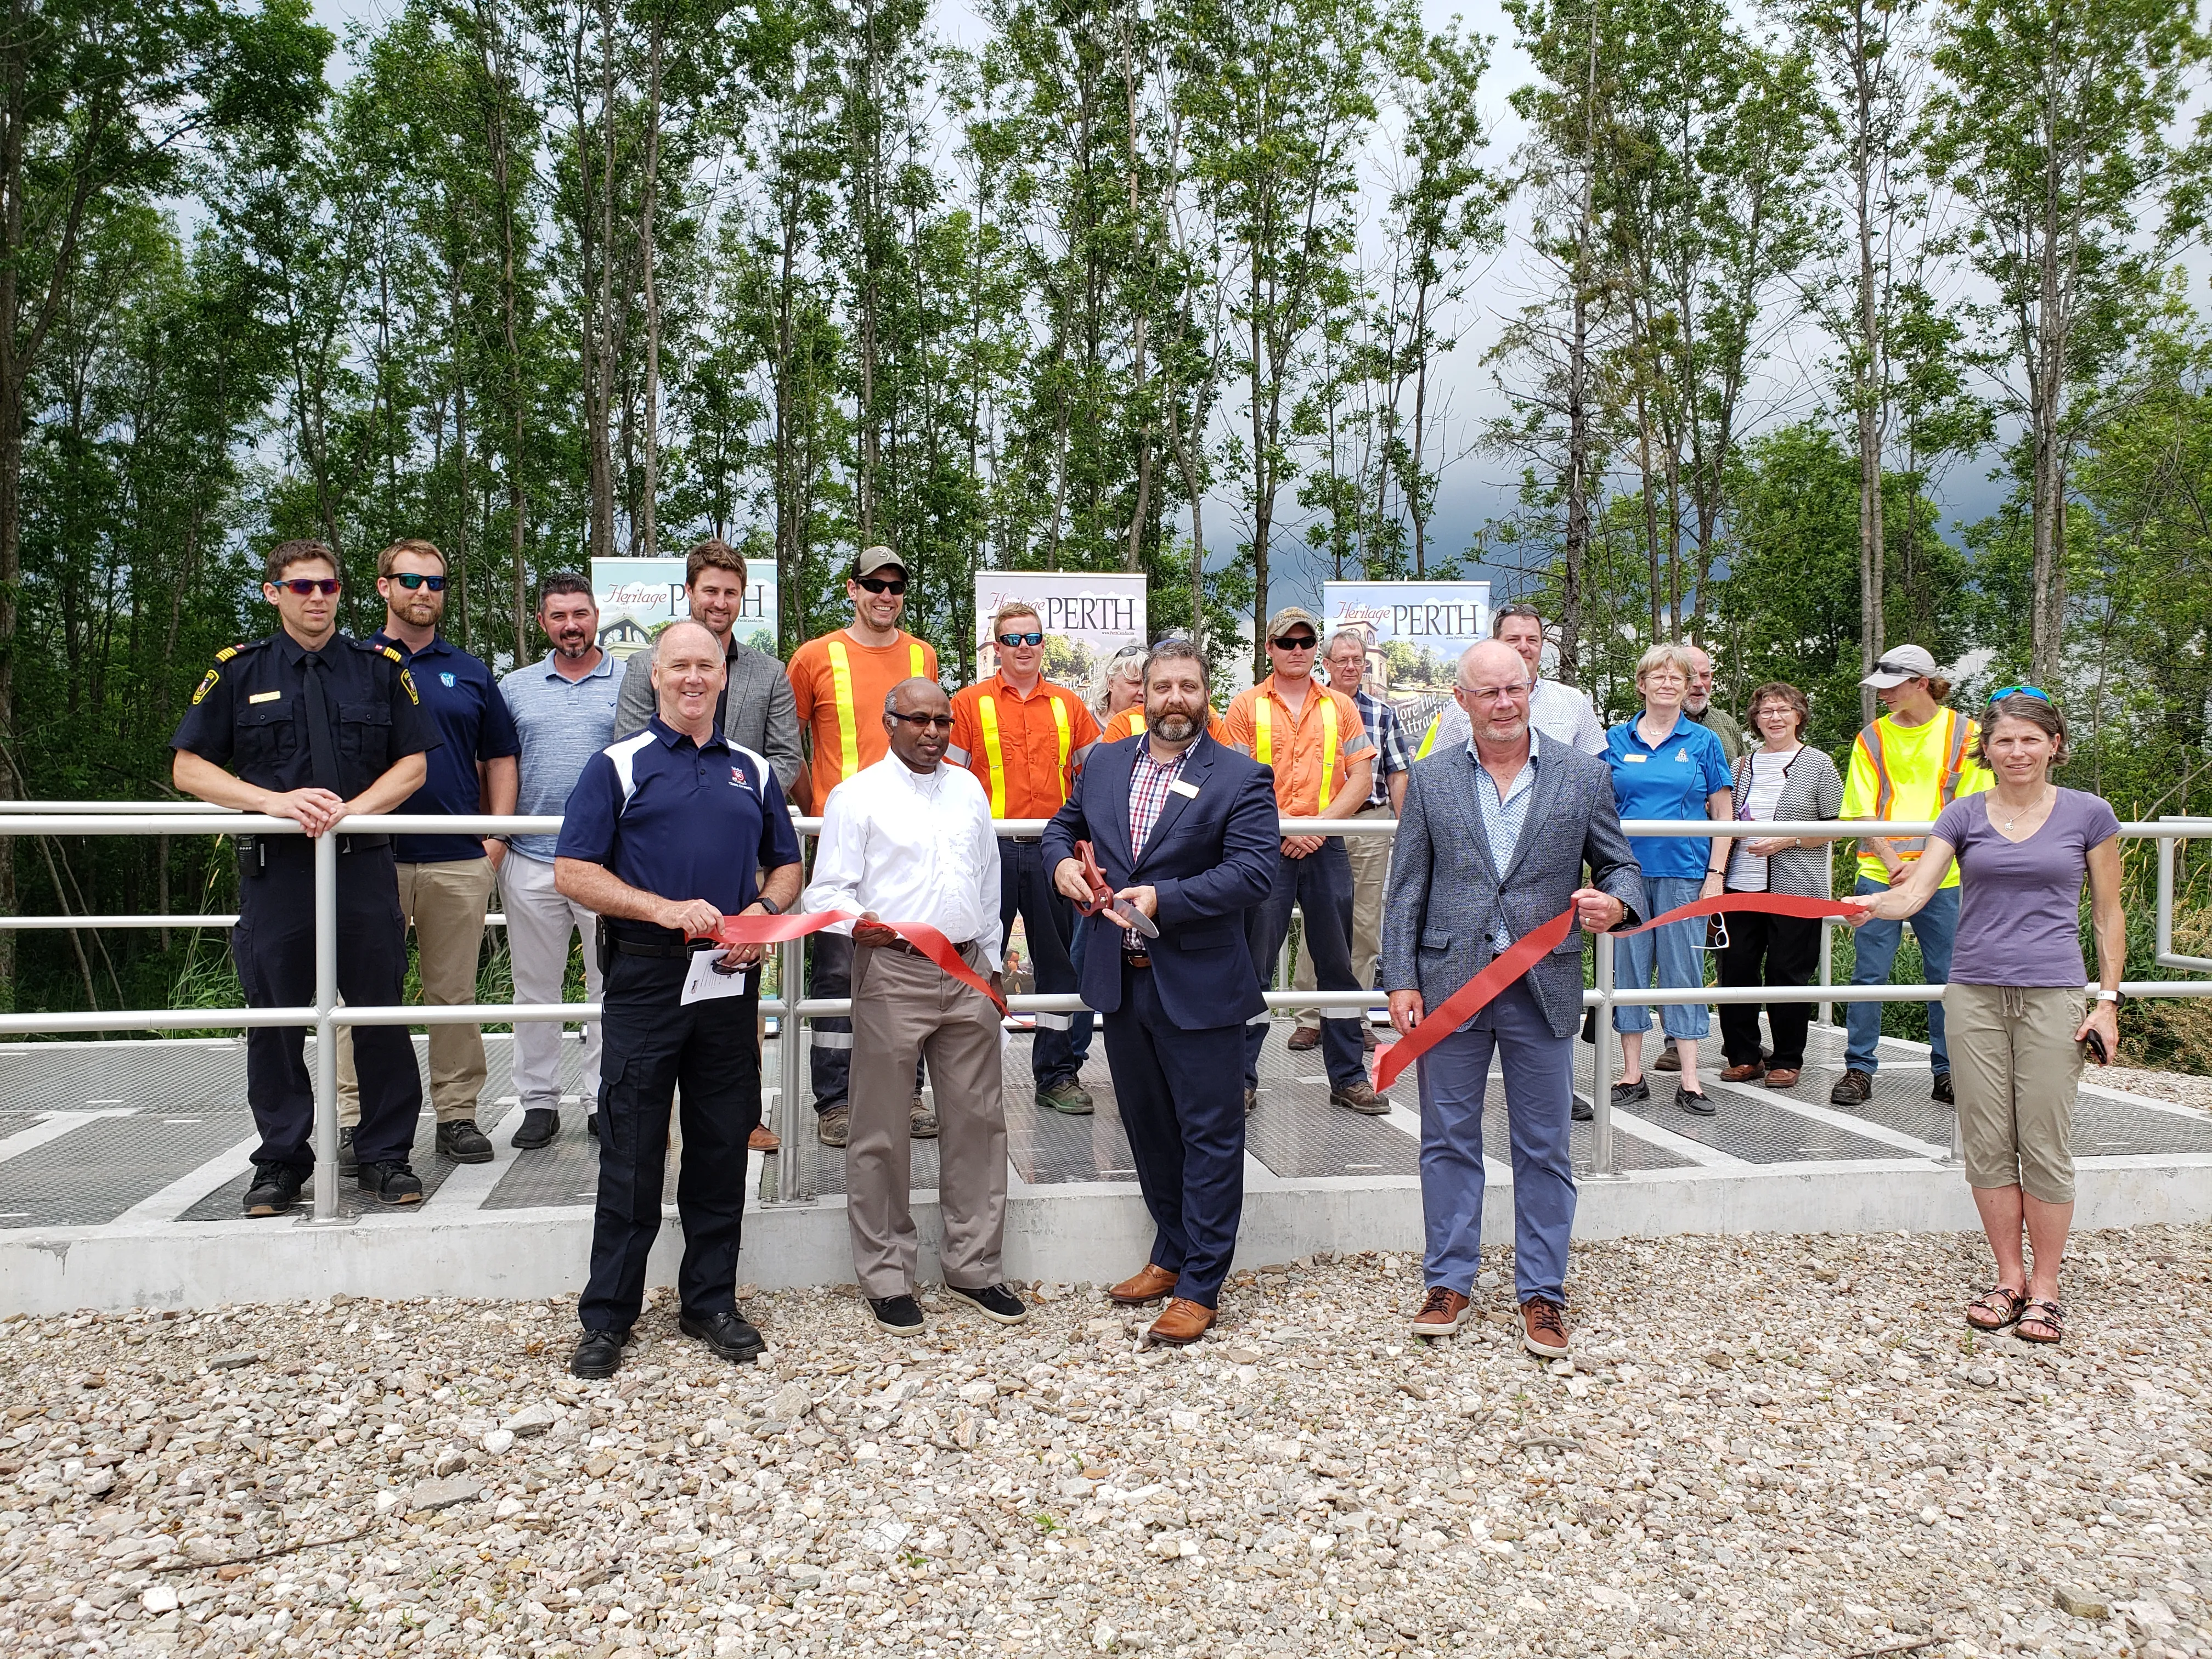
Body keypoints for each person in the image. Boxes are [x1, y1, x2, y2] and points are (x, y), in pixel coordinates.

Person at [553, 621, 804, 1379]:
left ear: (723, 677)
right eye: (679, 666)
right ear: (656, 677)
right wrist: (661, 908)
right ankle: (607, 1318)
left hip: (729, 979)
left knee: (722, 1143)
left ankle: (710, 1302)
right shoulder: (618, 765)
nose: (694, 677)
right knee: (630, 1147)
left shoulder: (754, 770)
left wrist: (762, 914)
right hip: (646, 976)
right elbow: (572, 871)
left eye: (707, 665)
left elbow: (787, 867)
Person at [1384, 641, 1646, 1356]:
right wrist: (1401, 979)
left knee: (1544, 1147)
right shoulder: (1431, 779)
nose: (1504, 704)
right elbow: (1407, 886)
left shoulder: (1583, 775)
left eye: (1515, 690)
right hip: (1451, 985)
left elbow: (1624, 868)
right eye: (1488, 693)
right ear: (1462, 701)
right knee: (1445, 1141)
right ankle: (1449, 1281)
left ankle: (1542, 1293)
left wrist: (1614, 906)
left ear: (1531, 690)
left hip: (1543, 984)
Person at [1846, 690, 2121, 1347]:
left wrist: (2108, 1001)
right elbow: (1915, 891)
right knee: (1988, 1142)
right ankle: (2008, 1278)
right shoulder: (1962, 813)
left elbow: (2109, 915)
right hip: (1971, 994)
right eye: (2005, 741)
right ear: (1987, 750)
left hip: (2053, 994)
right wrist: (1865, 907)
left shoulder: (2090, 814)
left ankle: (2047, 1289)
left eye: (2030, 739)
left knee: (2045, 1142)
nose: (2017, 752)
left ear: (2054, 744)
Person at [170, 539, 436, 1216]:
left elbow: (413, 765)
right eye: (300, 588)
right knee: (277, 1020)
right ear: (273, 594)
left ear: (343, 592)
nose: (316, 598)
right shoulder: (238, 671)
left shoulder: (379, 669)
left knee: (379, 1014)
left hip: (363, 864)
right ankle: (282, 1162)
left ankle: (384, 1155)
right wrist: (273, 802)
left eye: (327, 586)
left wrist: (349, 811)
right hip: (277, 872)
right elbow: (189, 768)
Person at [1044, 639, 1279, 1346]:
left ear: (1206, 695)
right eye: (1162, 686)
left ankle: (1203, 1283)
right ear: (1140, 692)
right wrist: (1059, 865)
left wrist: (1165, 897)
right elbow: (1064, 825)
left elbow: (1253, 874)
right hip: (1123, 982)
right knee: (1148, 1128)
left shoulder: (1241, 777)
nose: (1175, 699)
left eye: (1188, 686)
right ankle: (1171, 1254)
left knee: (1209, 1134)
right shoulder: (1105, 761)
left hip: (1199, 985)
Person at [804, 677, 1028, 1336]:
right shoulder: (857, 796)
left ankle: (975, 1267)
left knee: (980, 1123)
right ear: (889, 719)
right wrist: (856, 922)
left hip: (966, 970)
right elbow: (827, 893)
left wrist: (993, 965)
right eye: (918, 721)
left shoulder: (968, 790)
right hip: (895, 971)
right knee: (881, 1126)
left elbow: (987, 880)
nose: (932, 733)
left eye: (942, 722)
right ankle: (886, 1276)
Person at [333, 539, 518, 1172]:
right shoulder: (349, 663)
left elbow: (500, 757)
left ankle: (458, 1113)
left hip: (455, 857)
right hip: (369, 856)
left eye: (435, 583)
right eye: (410, 580)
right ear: (383, 586)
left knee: (453, 994)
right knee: (363, 996)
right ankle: (357, 1119)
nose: (423, 592)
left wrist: (495, 838)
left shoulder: (468, 671)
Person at [786, 548, 941, 1148]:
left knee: (913, 962)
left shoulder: (921, 654)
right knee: (835, 974)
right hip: (840, 841)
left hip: (908, 841)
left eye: (896, 586)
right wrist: (819, 806)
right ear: (852, 589)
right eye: (874, 585)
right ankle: (835, 1100)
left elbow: (930, 735)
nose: (886, 595)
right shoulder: (814, 657)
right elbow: (787, 739)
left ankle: (907, 1092)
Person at [1223, 606, 1386, 1115]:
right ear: (1268, 648)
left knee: (1338, 963)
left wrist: (1316, 827)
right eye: (1286, 642)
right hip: (1263, 847)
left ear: (1316, 649)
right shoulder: (1246, 705)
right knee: (1254, 964)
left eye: (1305, 642)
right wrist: (1281, 830)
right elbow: (1233, 781)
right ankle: (1238, 1079)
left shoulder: (1343, 706)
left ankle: (1348, 1078)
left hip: (1325, 844)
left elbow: (1362, 778)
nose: (1296, 650)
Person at [945, 601, 1100, 1116]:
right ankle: (972, 1078)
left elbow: (1097, 780)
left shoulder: (1069, 706)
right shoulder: (968, 704)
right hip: (987, 853)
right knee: (978, 963)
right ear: (996, 647)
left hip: (1053, 854)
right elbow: (947, 786)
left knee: (1059, 968)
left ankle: (1057, 1076)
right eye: (1012, 640)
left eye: (1032, 638)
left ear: (1043, 644)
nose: (1024, 648)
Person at [1835, 645, 1993, 1109]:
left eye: (1891, 686)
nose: (1882, 694)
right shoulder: (1872, 738)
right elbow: (1858, 810)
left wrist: (1925, 867)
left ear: (1922, 683)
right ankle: (1858, 1069)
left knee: (1947, 978)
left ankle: (1948, 1072)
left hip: (1946, 877)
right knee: (1869, 976)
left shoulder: (1969, 735)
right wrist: (1894, 862)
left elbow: (1972, 809)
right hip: (1880, 873)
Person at [498, 574, 623, 1152]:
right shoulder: (515, 687)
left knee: (610, 988)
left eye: (580, 613)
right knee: (535, 990)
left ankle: (603, 1099)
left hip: (607, 861)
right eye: (558, 616)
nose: (571, 625)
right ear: (542, 623)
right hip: (531, 855)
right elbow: (494, 767)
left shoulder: (631, 683)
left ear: (597, 615)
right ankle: (538, 1102)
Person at [1604, 642, 1734, 1115]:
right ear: (1641, 684)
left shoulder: (1703, 743)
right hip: (1626, 876)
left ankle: (1691, 1080)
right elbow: (1600, 810)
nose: (1666, 683)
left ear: (1687, 686)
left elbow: (1724, 812)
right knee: (1631, 972)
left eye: (1676, 677)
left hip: (1685, 873)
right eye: (1657, 676)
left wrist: (1716, 873)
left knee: (1684, 973)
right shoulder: (1615, 740)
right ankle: (1631, 1074)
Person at [1714, 683, 1844, 1091]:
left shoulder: (1819, 765)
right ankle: (1744, 1056)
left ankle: (1787, 1058)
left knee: (1788, 973)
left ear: (1799, 716)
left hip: (1796, 886)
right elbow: (1720, 820)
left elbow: (1838, 825)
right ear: (1755, 720)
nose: (1774, 717)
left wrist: (1789, 839)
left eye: (1784, 710)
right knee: (1735, 970)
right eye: (1766, 711)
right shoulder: (1739, 766)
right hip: (1739, 884)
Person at [1289, 629, 1407, 1056]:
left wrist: (1403, 827)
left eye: (1358, 659)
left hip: (1370, 823)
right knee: (1315, 921)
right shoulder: (1309, 708)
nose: (1352, 667)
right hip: (1317, 824)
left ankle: (1353, 1017)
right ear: (1328, 664)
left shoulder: (1382, 713)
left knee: (1364, 924)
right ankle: (1308, 1018)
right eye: (1343, 660)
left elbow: (1396, 772)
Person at [613, 537, 802, 792]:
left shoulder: (771, 674)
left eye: (731, 593)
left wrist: (746, 800)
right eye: (711, 591)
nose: (721, 604)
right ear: (689, 591)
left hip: (744, 821)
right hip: (663, 818)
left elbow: (786, 757)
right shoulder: (644, 666)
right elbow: (631, 747)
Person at [1415, 602, 1607, 759]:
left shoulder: (1572, 701)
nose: (1524, 647)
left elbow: (1592, 774)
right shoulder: (1463, 708)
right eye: (1514, 639)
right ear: (1495, 642)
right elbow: (1438, 774)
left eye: (1532, 640)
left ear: (1542, 644)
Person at [1682, 645, 1745, 762]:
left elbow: (1744, 775)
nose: (1699, 684)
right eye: (1690, 676)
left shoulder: (1727, 724)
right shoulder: (1657, 726)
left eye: (1705, 676)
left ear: (1712, 677)